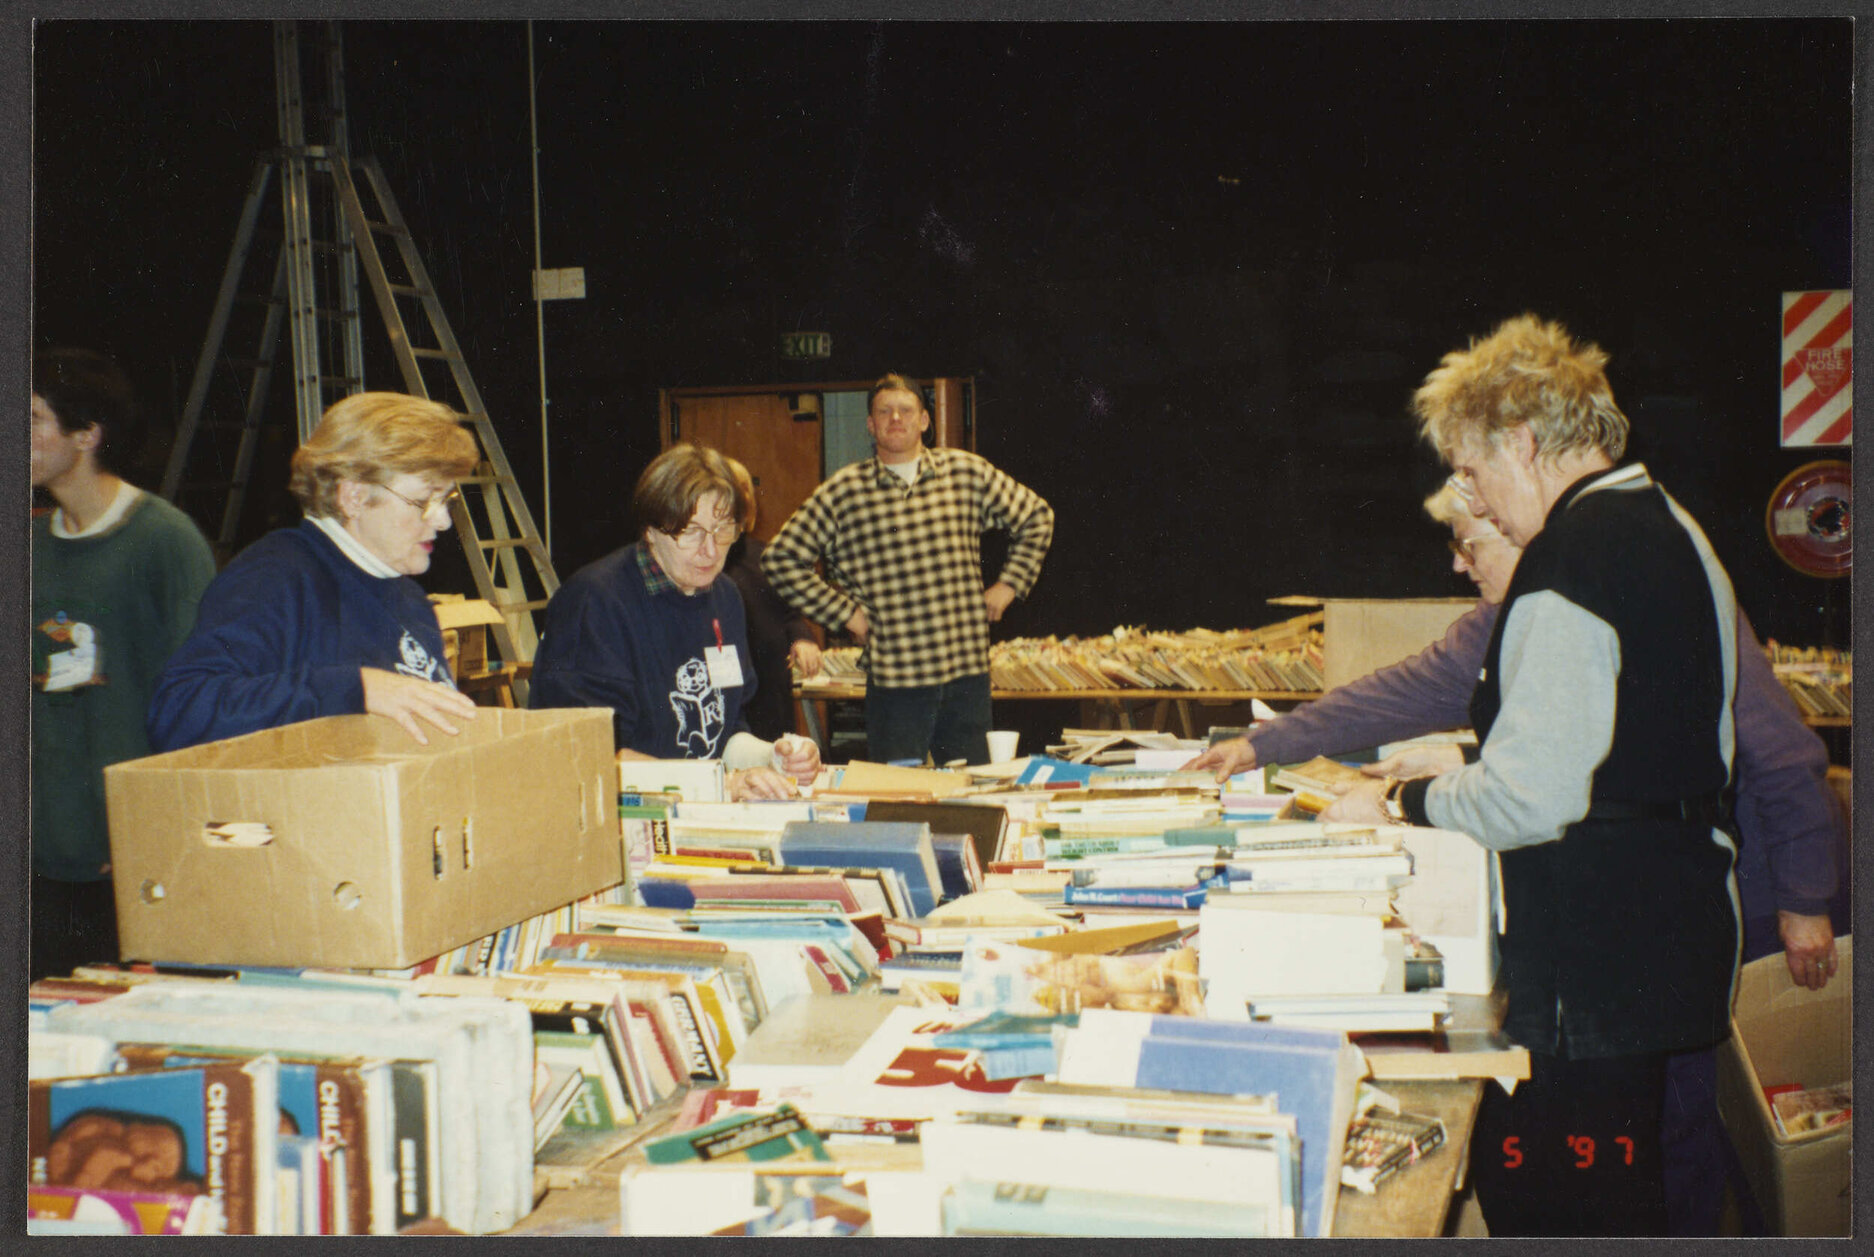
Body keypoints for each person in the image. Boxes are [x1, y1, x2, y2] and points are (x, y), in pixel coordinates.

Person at [1189, 478, 1841, 1237]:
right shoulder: (1509, 616)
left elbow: (1786, 757)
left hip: (1740, 888)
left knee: (1683, 1126)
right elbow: (1399, 692)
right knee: (1637, 1134)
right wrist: (1260, 743)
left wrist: (1804, 899)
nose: (1459, 564)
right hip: (1630, 906)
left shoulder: (1660, 595)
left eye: (1472, 541)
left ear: (1528, 532)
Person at [1332, 315, 1740, 1236]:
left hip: (1589, 966)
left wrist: (1403, 797)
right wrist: (1472, 755)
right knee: (1624, 1201)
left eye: (1471, 471)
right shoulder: (1672, 526)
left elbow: (1534, 798)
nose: (1470, 494)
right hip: (1662, 935)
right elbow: (1637, 742)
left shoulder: (1569, 559)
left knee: (1560, 1206)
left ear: (1521, 439)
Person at [147, 392, 482, 752]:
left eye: (446, 500)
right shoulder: (275, 577)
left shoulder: (411, 602)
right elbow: (180, 710)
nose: (444, 521)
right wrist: (355, 689)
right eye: (425, 501)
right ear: (353, 496)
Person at [30, 348, 218, 981]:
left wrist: (154, 829)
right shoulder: (27, 543)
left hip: (129, 857)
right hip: (38, 858)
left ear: (87, 434)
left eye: (31, 419)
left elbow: (198, 706)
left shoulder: (164, 541)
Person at [763, 373, 1054, 766]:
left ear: (924, 420)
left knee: (974, 794)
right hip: (896, 679)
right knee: (898, 799)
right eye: (884, 411)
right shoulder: (844, 491)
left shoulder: (966, 473)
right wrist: (845, 613)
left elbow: (1036, 516)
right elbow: (779, 560)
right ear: (870, 424)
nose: (895, 418)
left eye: (906, 410)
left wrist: (1009, 584)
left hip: (965, 673)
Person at [529, 443, 821, 800]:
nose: (710, 551)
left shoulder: (725, 597)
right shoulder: (594, 603)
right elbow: (583, 756)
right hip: (616, 818)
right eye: (690, 531)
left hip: (696, 809)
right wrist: (718, 786)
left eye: (723, 529)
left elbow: (724, 730)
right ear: (651, 529)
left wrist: (771, 758)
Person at [720, 457, 823, 742]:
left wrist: (802, 638)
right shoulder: (703, 562)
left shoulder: (766, 556)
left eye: (744, 488)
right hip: (728, 690)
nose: (739, 496)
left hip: (769, 689)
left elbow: (789, 614)